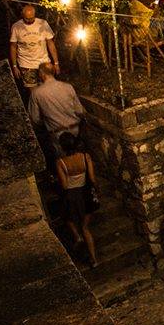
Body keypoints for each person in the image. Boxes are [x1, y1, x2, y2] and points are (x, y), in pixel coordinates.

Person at [55, 132, 98, 267]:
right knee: (85, 227)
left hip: (71, 195)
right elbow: (92, 178)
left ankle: (77, 237)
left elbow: (64, 185)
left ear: (62, 146)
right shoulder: (85, 157)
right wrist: (95, 190)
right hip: (85, 194)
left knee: (67, 217)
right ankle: (94, 259)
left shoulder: (61, 163)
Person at [27, 62, 85, 149]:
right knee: (80, 155)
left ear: (41, 74)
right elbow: (79, 111)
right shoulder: (68, 87)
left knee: (65, 157)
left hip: (57, 134)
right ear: (53, 72)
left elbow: (35, 119)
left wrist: (46, 122)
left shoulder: (36, 93)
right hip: (76, 130)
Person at [9, 4, 59, 89]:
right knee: (33, 92)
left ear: (34, 15)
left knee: (48, 89)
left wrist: (56, 63)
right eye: (27, 18)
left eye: (31, 18)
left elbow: (50, 43)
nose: (29, 20)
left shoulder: (43, 24)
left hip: (43, 62)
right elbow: (13, 47)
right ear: (23, 16)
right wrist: (14, 66)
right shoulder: (16, 27)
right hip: (26, 64)